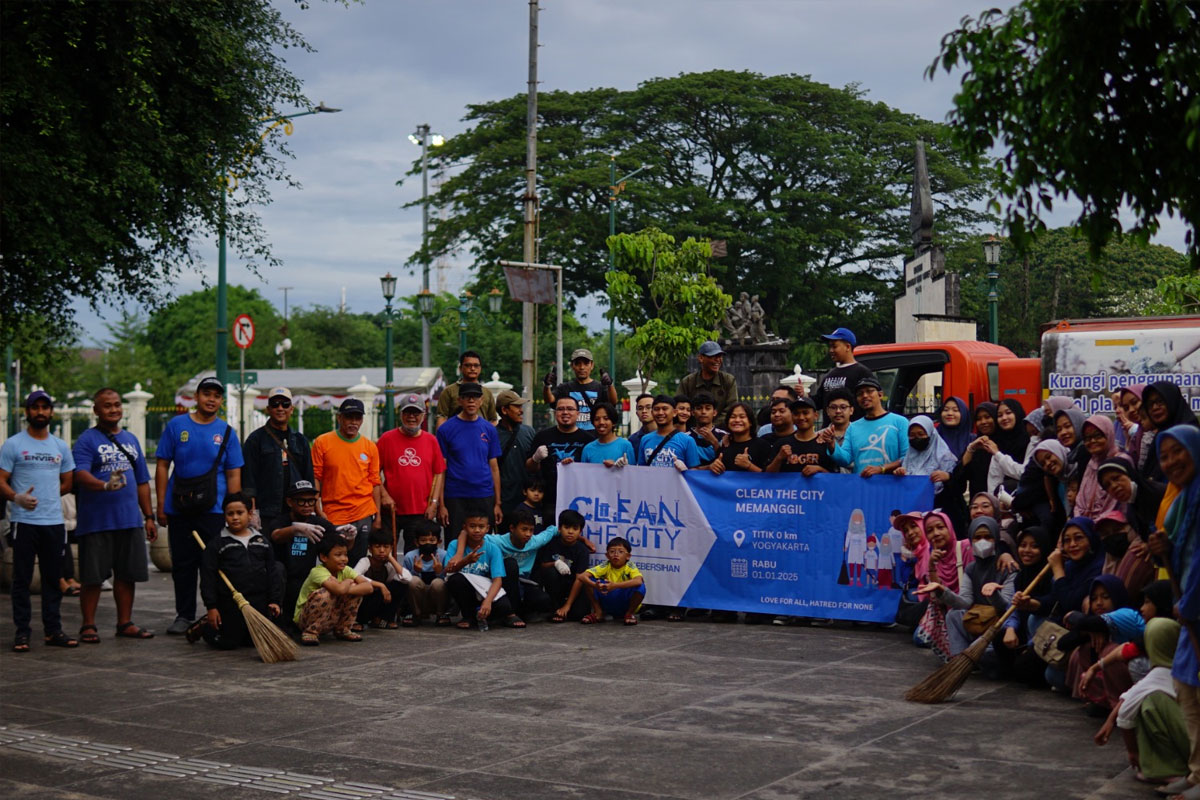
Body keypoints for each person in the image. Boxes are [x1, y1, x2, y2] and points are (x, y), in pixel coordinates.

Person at [155, 376, 243, 635]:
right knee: (183, 564)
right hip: (180, 508)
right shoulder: (176, 426)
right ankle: (184, 615)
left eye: (216, 395)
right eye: (207, 394)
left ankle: (216, 613)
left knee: (215, 564)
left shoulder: (227, 432)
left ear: (221, 401)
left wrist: (235, 510)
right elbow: (162, 465)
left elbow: (233, 473)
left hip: (214, 511)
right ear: (197, 397)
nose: (211, 399)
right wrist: (161, 504)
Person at [71, 387, 157, 643]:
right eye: (107, 406)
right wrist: (104, 485)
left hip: (129, 520)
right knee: (93, 577)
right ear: (96, 410)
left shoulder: (131, 439)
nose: (114, 409)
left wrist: (149, 517)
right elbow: (80, 474)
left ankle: (125, 622)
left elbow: (142, 481)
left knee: (127, 574)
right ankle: (88, 625)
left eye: (117, 405)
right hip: (97, 521)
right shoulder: (87, 440)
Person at [1, 390, 77, 651]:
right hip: (24, 521)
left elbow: (68, 480)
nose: (41, 412)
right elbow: (1, 479)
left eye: (45, 407)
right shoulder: (13, 444)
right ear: (27, 412)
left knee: (52, 578)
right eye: (36, 408)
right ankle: (22, 632)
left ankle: (53, 631)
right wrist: (16, 497)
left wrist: (49, 495)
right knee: (21, 578)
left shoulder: (60, 446)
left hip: (53, 523)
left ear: (51, 413)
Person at [1148, 425, 1200, 800]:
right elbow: (1183, 555)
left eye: (1177, 451)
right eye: (1163, 456)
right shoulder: (1183, 500)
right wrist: (1163, 546)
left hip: (1195, 607)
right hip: (1191, 609)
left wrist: (1191, 604)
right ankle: (1197, 773)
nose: (1170, 462)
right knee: (1188, 688)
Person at [1094, 617, 1189, 785]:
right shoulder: (1188, 668)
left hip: (1187, 744)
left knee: (1147, 703)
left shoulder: (1155, 678)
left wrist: (1132, 752)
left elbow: (1125, 714)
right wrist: (1110, 721)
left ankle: (1164, 770)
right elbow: (1129, 696)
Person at [188, 493, 283, 649]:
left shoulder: (262, 542)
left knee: (253, 643)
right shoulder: (218, 544)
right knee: (229, 643)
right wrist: (211, 607)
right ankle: (206, 626)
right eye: (230, 514)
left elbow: (272, 572)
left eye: (240, 513)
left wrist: (274, 600)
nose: (235, 517)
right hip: (230, 603)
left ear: (250, 514)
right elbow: (208, 577)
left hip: (258, 602)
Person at [928, 516, 1016, 662]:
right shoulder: (971, 568)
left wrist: (993, 594)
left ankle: (974, 657)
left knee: (988, 659)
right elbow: (965, 602)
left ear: (995, 538)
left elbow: (1006, 607)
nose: (983, 541)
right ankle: (959, 660)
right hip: (978, 622)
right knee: (953, 615)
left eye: (988, 537)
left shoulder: (1007, 567)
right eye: (977, 537)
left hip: (998, 627)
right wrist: (942, 591)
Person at [311, 398, 382, 565]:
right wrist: (318, 511)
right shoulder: (322, 442)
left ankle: (355, 592)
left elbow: (375, 482)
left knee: (358, 563)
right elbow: (316, 477)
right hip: (334, 514)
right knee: (334, 562)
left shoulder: (370, 447)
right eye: (349, 417)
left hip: (363, 512)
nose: (353, 422)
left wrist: (378, 516)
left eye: (357, 418)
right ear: (339, 418)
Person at [268, 479, 340, 631]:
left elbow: (338, 546)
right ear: (289, 502)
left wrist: (349, 537)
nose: (307, 506)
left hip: (307, 580)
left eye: (311, 501)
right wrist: (295, 529)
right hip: (282, 582)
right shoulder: (281, 520)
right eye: (301, 501)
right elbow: (276, 535)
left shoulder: (319, 523)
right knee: (278, 568)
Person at [436, 381, 502, 542]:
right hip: (455, 495)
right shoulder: (446, 429)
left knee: (483, 543)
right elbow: (441, 470)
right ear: (460, 400)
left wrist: (497, 503)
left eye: (475, 397)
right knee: (454, 541)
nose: (471, 401)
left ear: (481, 401)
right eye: (467, 397)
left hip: (484, 494)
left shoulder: (489, 429)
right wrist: (441, 504)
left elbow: (494, 467)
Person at [377, 393, 445, 550]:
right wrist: (384, 495)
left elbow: (439, 473)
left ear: (423, 415)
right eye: (407, 413)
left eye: (416, 413)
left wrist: (434, 503)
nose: (412, 417)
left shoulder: (431, 441)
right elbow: (373, 472)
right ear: (401, 414)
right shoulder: (386, 439)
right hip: (390, 508)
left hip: (420, 509)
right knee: (385, 550)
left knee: (413, 553)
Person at [241, 386, 313, 524]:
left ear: (291, 409)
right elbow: (248, 480)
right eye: (275, 404)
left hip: (298, 513)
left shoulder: (300, 440)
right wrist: (252, 512)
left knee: (299, 546)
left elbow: (308, 476)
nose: (280, 408)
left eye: (285, 404)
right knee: (268, 545)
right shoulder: (255, 440)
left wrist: (312, 509)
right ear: (268, 409)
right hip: (267, 513)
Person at [294, 533, 376, 645]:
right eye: (338, 555)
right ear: (324, 557)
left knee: (355, 589)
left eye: (345, 555)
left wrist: (347, 588)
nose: (343, 559)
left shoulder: (346, 570)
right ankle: (310, 632)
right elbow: (338, 590)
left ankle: (343, 629)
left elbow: (368, 587)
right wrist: (347, 582)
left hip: (330, 618)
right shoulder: (317, 572)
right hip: (306, 619)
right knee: (325, 594)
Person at [912, 510, 972, 660]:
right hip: (948, 614)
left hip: (970, 611)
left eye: (940, 527)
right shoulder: (934, 558)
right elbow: (938, 600)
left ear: (949, 528)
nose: (936, 533)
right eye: (930, 531)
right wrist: (932, 565)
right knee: (919, 637)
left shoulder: (966, 548)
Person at [443, 511, 518, 629]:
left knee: (503, 607)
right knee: (455, 579)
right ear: (465, 527)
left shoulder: (493, 549)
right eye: (472, 526)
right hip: (466, 589)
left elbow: (497, 580)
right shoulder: (454, 545)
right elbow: (447, 571)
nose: (477, 530)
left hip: (484, 588)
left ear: (487, 528)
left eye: (481, 527)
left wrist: (488, 601)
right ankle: (468, 616)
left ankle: (489, 615)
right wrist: (465, 561)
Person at [822, 376, 909, 477]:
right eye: (860, 394)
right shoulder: (853, 428)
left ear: (880, 395)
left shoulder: (900, 422)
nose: (864, 396)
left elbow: (907, 458)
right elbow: (845, 460)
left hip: (892, 487)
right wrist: (832, 444)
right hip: (863, 487)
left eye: (869, 391)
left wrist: (882, 469)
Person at [525, 393, 594, 515]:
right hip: (548, 501)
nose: (565, 412)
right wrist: (536, 458)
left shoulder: (588, 440)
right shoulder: (542, 437)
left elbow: (594, 473)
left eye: (570, 409)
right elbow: (530, 468)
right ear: (555, 413)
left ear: (578, 413)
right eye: (561, 409)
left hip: (578, 498)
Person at [559, 536, 645, 626]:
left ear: (628, 556)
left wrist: (614, 586)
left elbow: (638, 581)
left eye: (620, 551)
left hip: (624, 603)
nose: (616, 554)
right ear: (607, 555)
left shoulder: (630, 566)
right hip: (607, 600)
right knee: (588, 580)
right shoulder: (605, 565)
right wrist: (595, 585)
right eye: (612, 551)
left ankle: (629, 614)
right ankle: (598, 612)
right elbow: (582, 576)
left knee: (641, 586)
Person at [542, 348, 617, 431]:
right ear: (572, 366)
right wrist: (547, 385)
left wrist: (610, 385)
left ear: (592, 365)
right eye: (578, 364)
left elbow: (613, 402)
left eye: (586, 363)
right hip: (572, 437)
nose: (582, 367)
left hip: (594, 437)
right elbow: (549, 399)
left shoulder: (600, 387)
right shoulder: (564, 388)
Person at [538, 509, 593, 622]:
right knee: (550, 572)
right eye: (566, 527)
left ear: (580, 531)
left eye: (575, 529)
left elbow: (580, 579)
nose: (570, 532)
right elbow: (542, 566)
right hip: (557, 585)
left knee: (578, 614)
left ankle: (565, 608)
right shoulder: (552, 543)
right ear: (559, 528)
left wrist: (567, 605)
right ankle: (555, 607)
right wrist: (555, 563)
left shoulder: (582, 550)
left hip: (574, 587)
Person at [1074, 414, 1132, 520]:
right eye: (1087, 438)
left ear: (1108, 434)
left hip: (1111, 526)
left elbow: (1115, 506)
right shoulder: (1092, 463)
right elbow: (1080, 501)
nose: (1092, 441)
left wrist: (1091, 526)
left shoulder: (1121, 461)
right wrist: (1079, 521)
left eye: (1097, 436)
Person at [812, 327, 875, 422]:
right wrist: (804, 395)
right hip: (829, 433)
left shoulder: (862, 372)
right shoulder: (829, 374)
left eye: (834, 346)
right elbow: (819, 402)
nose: (831, 350)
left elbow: (871, 404)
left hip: (852, 432)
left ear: (848, 347)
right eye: (830, 347)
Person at [353, 528, 407, 630]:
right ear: (370, 549)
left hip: (379, 601)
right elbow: (354, 575)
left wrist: (391, 559)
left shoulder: (389, 565)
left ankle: (382, 619)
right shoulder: (365, 561)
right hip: (365, 602)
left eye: (386, 547)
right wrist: (380, 585)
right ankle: (357, 620)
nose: (382, 550)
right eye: (377, 547)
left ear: (391, 548)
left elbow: (406, 578)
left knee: (400, 585)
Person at [766, 397, 836, 476]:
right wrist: (779, 458)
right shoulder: (781, 444)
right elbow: (768, 477)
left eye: (805, 413)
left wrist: (819, 469)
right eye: (796, 413)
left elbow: (837, 478)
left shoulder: (825, 444)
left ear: (816, 415)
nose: (801, 417)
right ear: (792, 416)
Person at [494, 389, 535, 524]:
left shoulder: (529, 432)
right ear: (504, 410)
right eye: (517, 406)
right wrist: (497, 503)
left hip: (527, 501)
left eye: (521, 406)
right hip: (504, 502)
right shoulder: (493, 435)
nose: (521, 410)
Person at [678, 340, 739, 427]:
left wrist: (712, 427)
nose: (718, 360)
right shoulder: (688, 382)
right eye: (713, 356)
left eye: (720, 356)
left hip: (721, 431)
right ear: (701, 358)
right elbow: (679, 407)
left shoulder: (728, 380)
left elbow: (731, 408)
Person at [402, 519, 450, 626]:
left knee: (438, 583)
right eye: (423, 541)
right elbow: (404, 582)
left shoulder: (444, 556)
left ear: (439, 541)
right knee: (413, 580)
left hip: (438, 598)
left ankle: (441, 614)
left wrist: (439, 572)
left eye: (432, 540)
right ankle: (416, 614)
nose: (428, 544)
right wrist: (416, 571)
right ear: (416, 542)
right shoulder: (410, 557)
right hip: (418, 599)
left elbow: (449, 581)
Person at [637, 394, 702, 470]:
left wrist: (685, 471)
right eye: (656, 409)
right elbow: (641, 470)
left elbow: (694, 471)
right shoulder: (645, 439)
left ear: (674, 412)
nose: (660, 413)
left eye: (665, 409)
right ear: (652, 412)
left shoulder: (687, 440)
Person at [435, 350, 497, 428]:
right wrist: (441, 438)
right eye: (468, 365)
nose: (472, 368)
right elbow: (442, 417)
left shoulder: (487, 393)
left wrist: (489, 437)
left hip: (481, 437)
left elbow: (493, 419)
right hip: (456, 436)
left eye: (476, 365)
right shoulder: (449, 391)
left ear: (480, 368)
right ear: (460, 368)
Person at [709, 402, 771, 475]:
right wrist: (713, 467)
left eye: (742, 417)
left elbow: (770, 479)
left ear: (750, 422)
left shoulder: (762, 445)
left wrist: (749, 466)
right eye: (733, 417)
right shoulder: (724, 446)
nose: (737, 420)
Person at [579, 402, 635, 466]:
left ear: (613, 422)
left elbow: (632, 473)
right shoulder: (588, 449)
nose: (601, 422)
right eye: (597, 419)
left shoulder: (625, 446)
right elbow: (583, 474)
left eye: (606, 418)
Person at [818, 388, 855, 473]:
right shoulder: (819, 436)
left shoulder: (859, 434)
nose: (838, 411)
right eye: (833, 407)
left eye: (843, 407)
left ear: (851, 410)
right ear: (827, 411)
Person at [687, 393, 726, 466]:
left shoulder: (724, 436)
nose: (703, 412)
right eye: (699, 408)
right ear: (692, 412)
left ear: (714, 412)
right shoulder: (684, 437)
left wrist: (715, 443)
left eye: (708, 408)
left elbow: (729, 463)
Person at [935, 396, 975, 462]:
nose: (950, 413)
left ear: (963, 414)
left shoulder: (973, 440)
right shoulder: (934, 438)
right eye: (946, 410)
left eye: (955, 410)